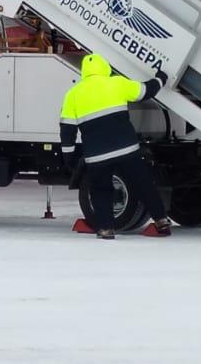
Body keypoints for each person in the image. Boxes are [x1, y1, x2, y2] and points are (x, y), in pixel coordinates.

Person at [60, 54, 173, 239]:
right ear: (105, 67)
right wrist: (161, 78)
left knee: (101, 190)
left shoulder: (73, 94)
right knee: (144, 184)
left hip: (97, 155)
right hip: (127, 149)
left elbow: (67, 131)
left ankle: (106, 229)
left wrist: (69, 158)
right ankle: (161, 221)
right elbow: (146, 91)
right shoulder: (117, 83)